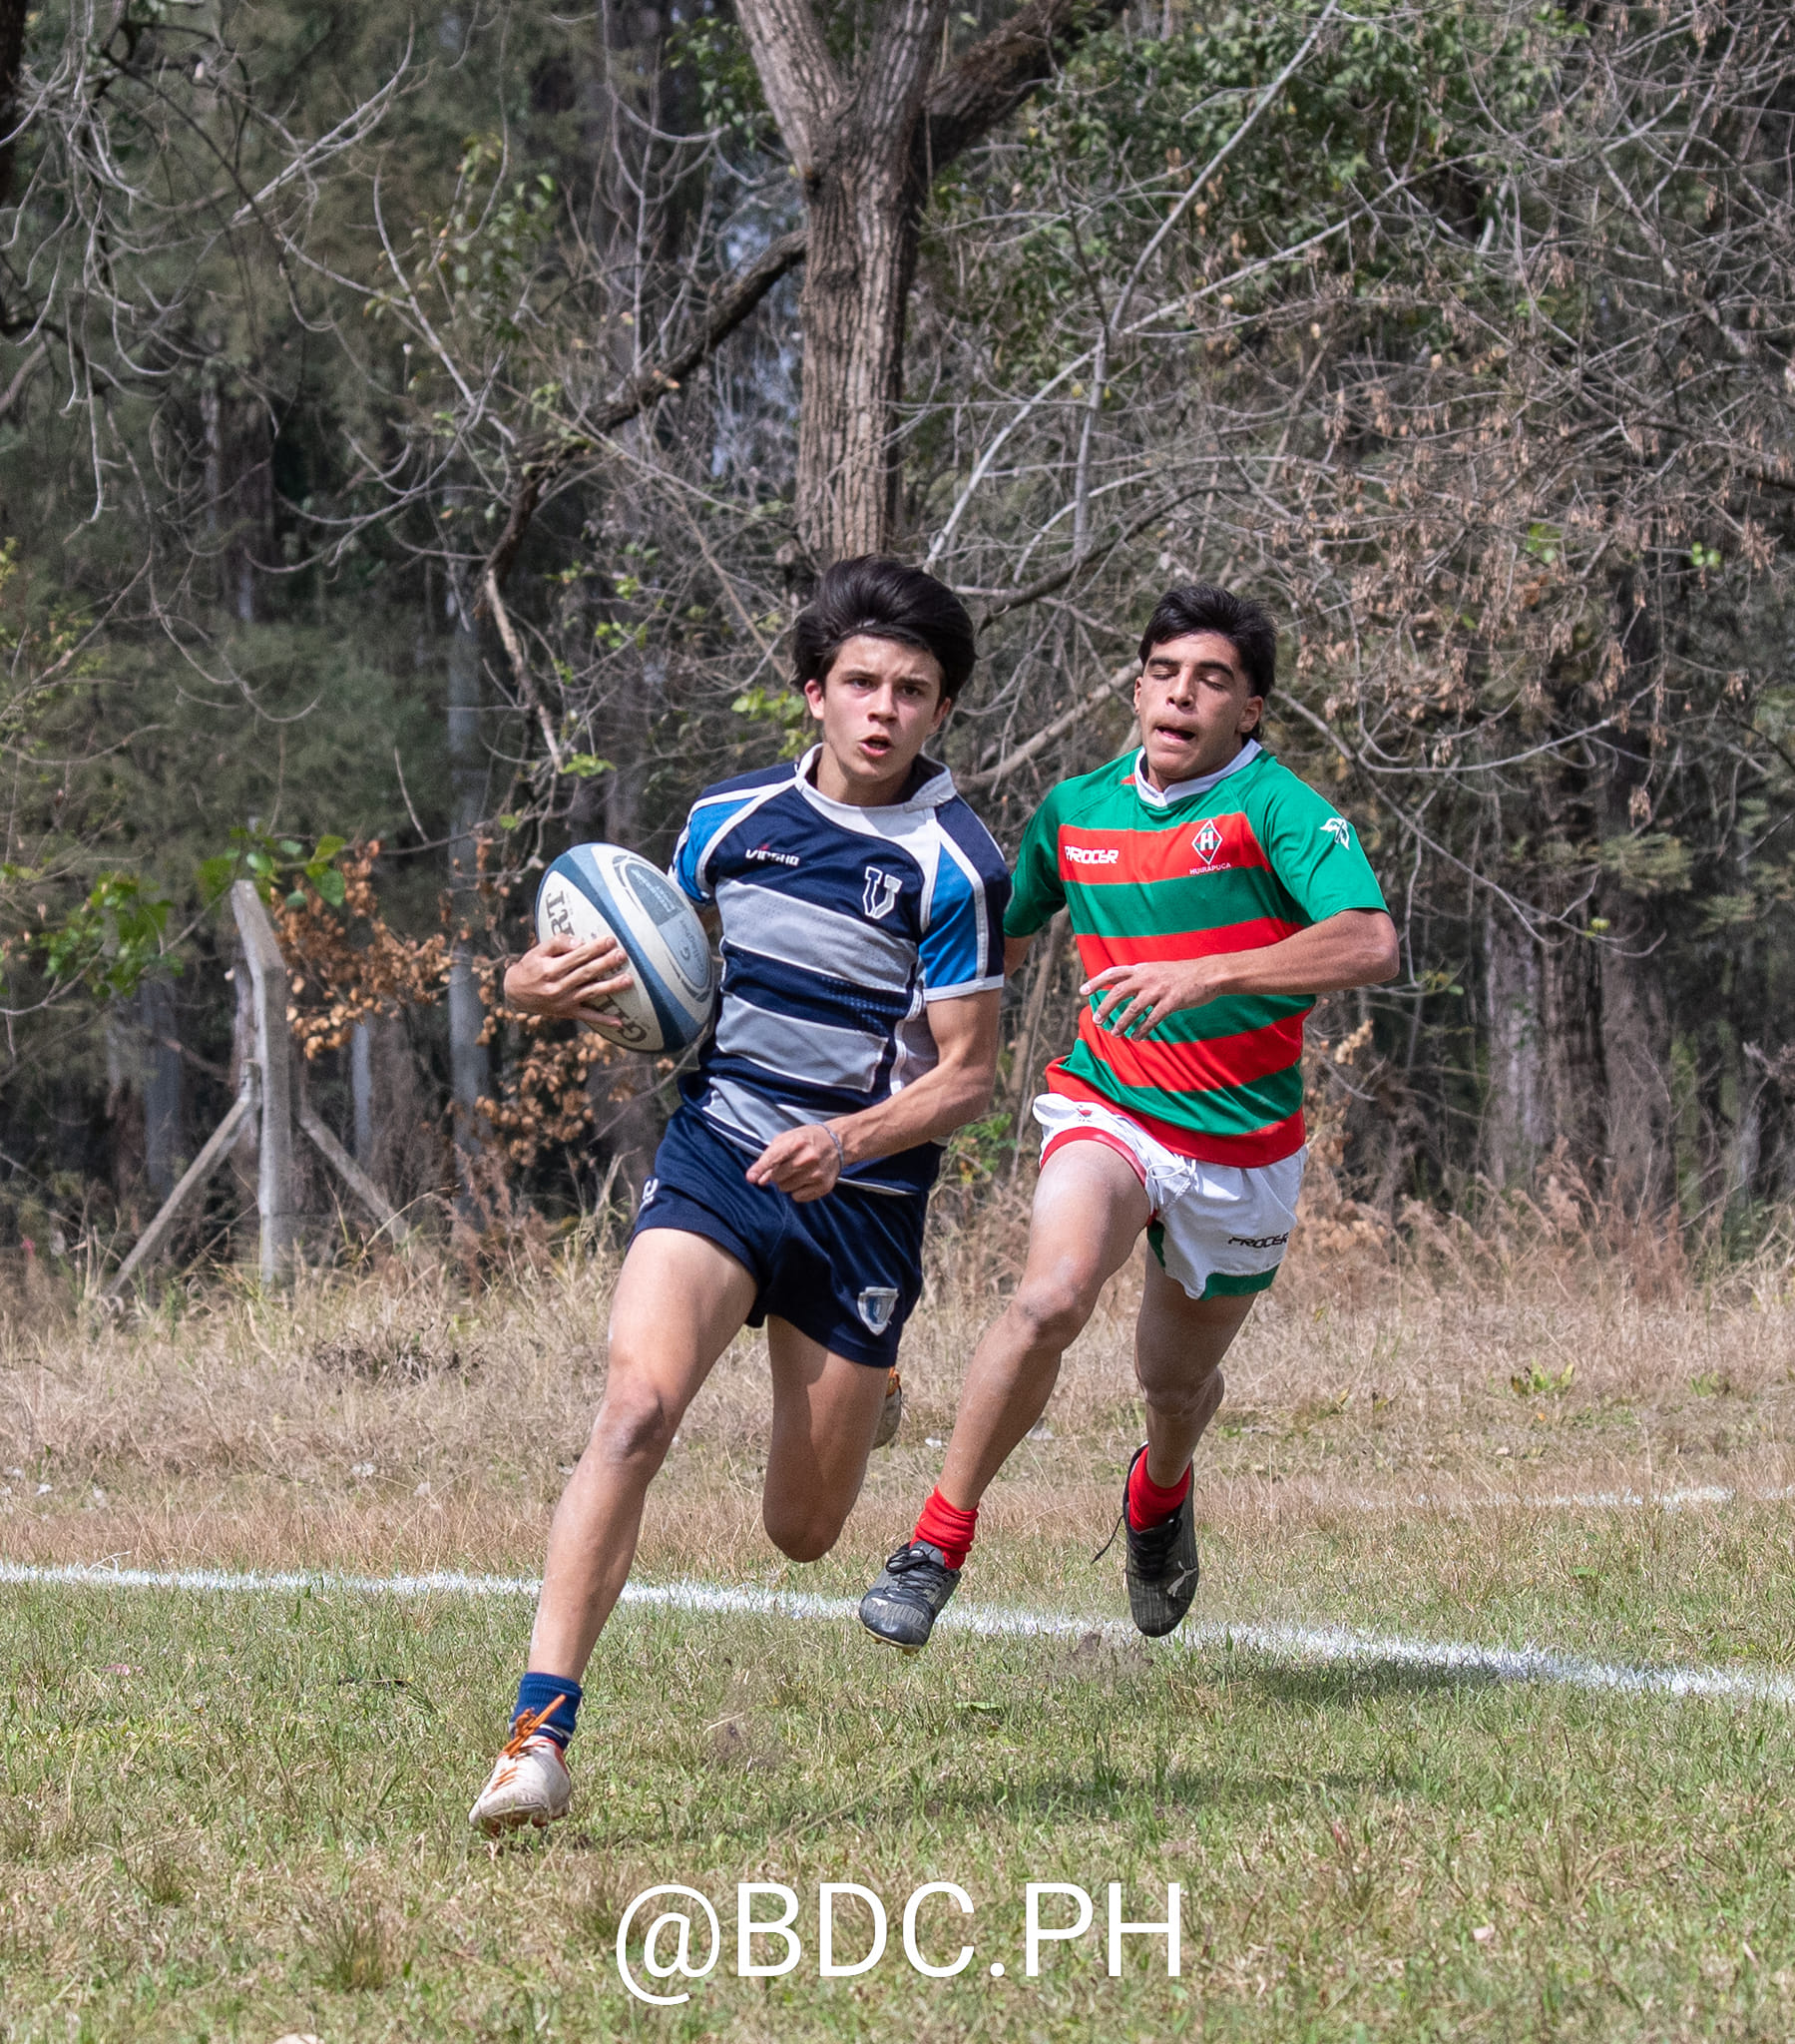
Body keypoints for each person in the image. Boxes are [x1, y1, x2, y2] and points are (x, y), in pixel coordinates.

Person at [469, 556, 1010, 1831]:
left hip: (858, 1203)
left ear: (940, 711)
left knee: (802, 1531)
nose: (883, 709)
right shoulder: (724, 822)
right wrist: (525, 987)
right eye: (861, 682)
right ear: (812, 691)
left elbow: (972, 1080)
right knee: (633, 1410)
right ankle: (535, 1737)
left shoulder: (956, 865)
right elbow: (648, 991)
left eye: (913, 691)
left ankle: (867, 1400)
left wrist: (851, 1136)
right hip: (716, 1158)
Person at [857, 583, 1399, 1651]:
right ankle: (933, 1542)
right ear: (1136, 686)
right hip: (1108, 1108)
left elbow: (1368, 942)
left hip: (1241, 1148)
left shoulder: (1279, 809)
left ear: (1248, 710)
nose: (1179, 694)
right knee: (1048, 1297)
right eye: (1162, 672)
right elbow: (990, 950)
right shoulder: (1076, 811)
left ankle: (1158, 1494)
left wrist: (1212, 974)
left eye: (1211, 679)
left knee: (1171, 1382)